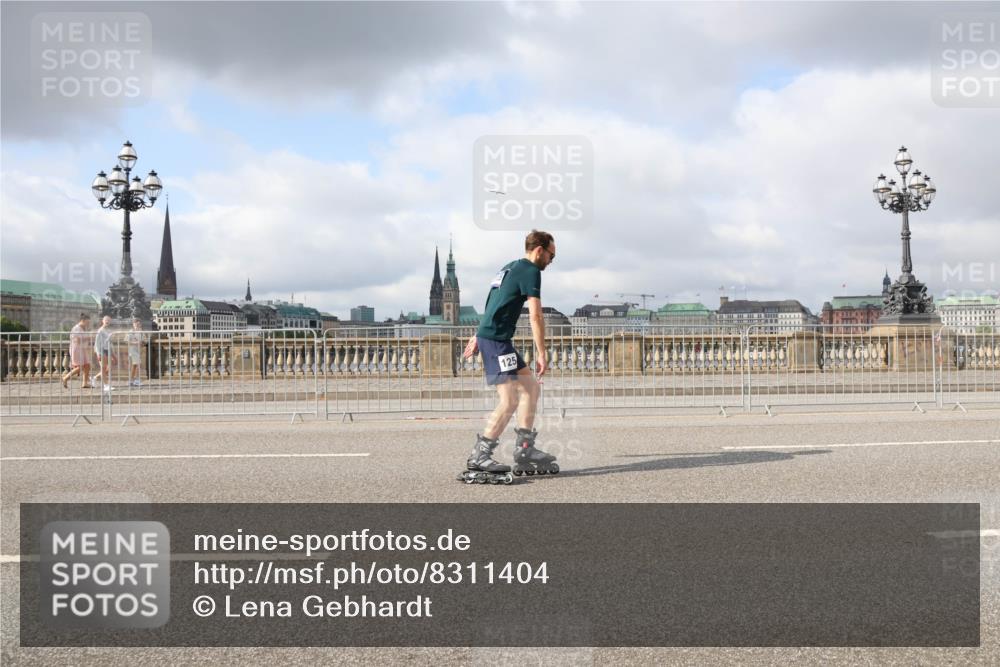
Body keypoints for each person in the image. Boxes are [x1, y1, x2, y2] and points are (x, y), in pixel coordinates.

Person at [459, 230, 559, 484]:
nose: (551, 261)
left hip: (496, 339)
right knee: (510, 399)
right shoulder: (531, 271)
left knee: (531, 388)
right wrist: (542, 352)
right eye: (551, 256)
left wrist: (478, 333)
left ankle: (525, 448)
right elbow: (535, 315)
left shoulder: (508, 267)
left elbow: (493, 301)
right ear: (539, 250)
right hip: (496, 341)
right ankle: (480, 455)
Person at [62, 313, 93, 389]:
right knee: (80, 367)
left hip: (83, 349)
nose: (88, 324)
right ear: (83, 320)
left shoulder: (83, 328)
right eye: (87, 322)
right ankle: (65, 378)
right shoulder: (76, 328)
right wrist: (89, 337)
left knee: (87, 365)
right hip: (77, 349)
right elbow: (77, 340)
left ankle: (85, 383)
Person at [92, 315, 117, 392]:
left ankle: (95, 378)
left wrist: (113, 354)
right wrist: (98, 353)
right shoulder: (100, 330)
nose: (107, 321)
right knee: (103, 368)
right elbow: (97, 343)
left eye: (109, 320)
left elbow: (110, 343)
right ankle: (105, 385)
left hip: (108, 350)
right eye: (106, 320)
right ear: (102, 321)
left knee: (108, 368)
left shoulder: (108, 330)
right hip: (102, 350)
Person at [126, 318, 144, 387]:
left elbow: (143, 341)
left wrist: (142, 343)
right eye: (136, 324)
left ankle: (131, 380)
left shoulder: (141, 332)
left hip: (138, 350)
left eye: (138, 324)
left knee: (135, 366)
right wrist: (136, 342)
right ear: (133, 324)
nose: (137, 325)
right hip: (133, 350)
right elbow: (127, 341)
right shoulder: (131, 331)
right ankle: (136, 380)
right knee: (137, 365)